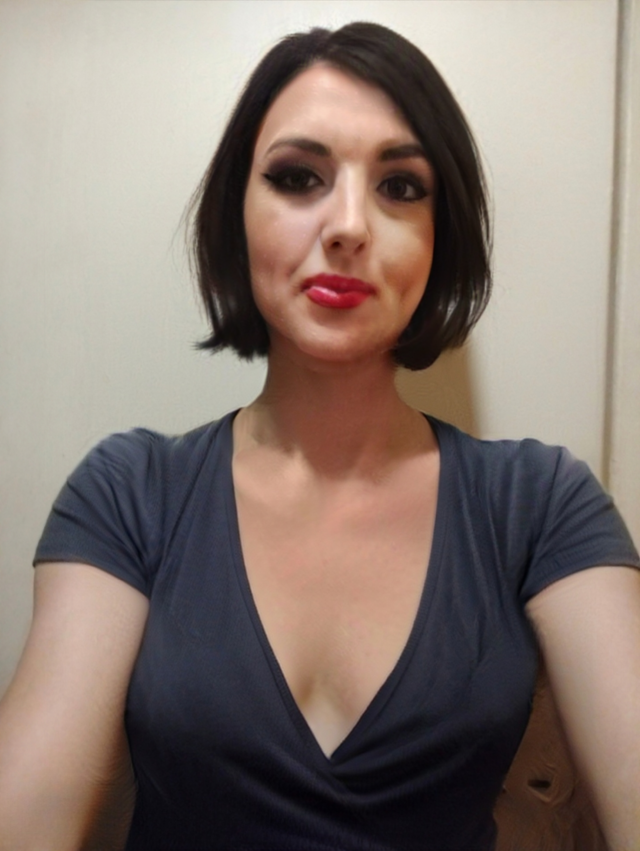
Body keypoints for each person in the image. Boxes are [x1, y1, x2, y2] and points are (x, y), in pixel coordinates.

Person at [0, 21, 638, 851]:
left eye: (400, 186)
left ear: (442, 237)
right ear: (238, 217)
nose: (348, 226)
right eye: (298, 177)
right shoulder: (130, 491)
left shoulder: (540, 503)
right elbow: (32, 810)